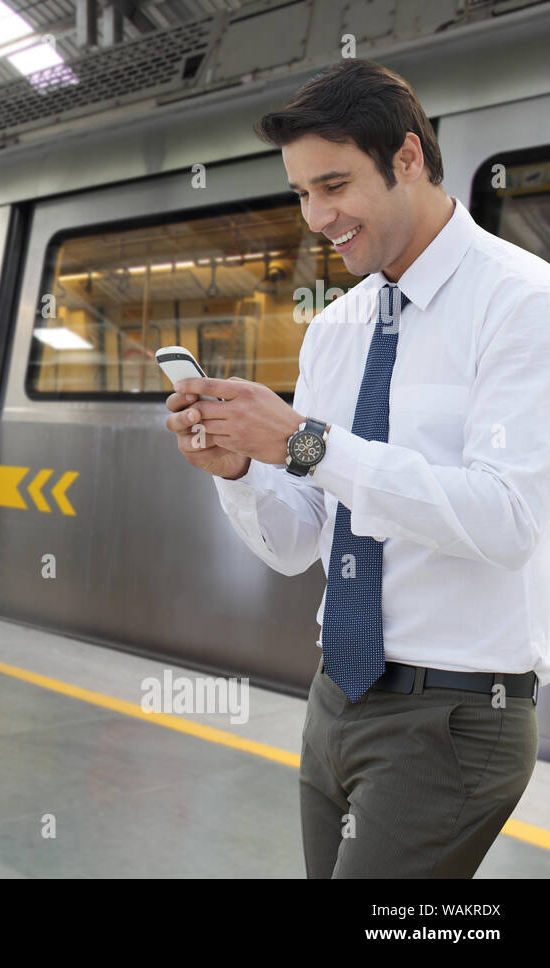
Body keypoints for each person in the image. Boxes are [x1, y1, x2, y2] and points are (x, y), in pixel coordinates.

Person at [164, 58, 550, 877]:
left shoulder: (523, 304)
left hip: (454, 713)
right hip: (335, 695)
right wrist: (239, 471)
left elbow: (509, 522)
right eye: (302, 193)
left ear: (407, 158)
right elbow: (302, 540)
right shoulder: (335, 330)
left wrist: (308, 443)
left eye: (333, 185)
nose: (316, 217)